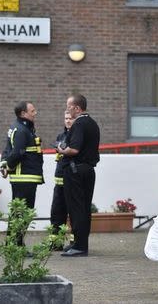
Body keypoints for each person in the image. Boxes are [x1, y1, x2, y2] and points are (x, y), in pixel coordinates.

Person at [57, 94, 100, 257]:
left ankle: (80, 246)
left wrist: (61, 150)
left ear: (77, 108)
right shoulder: (93, 124)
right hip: (88, 170)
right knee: (84, 208)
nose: (67, 109)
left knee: (76, 208)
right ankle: (79, 243)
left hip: (75, 171)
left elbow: (74, 149)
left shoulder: (79, 124)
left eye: (69, 106)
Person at [0, 101, 44, 246]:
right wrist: (8, 167)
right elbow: (17, 152)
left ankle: (14, 244)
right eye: (32, 111)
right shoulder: (22, 130)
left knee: (19, 212)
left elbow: (7, 148)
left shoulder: (18, 128)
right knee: (23, 213)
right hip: (25, 178)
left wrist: (4, 165)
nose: (35, 113)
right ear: (23, 114)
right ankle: (15, 245)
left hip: (24, 178)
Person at [50, 111, 74, 250]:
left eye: (70, 118)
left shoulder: (76, 136)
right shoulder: (61, 136)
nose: (68, 121)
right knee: (57, 212)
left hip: (71, 180)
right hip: (59, 180)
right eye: (66, 118)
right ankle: (56, 243)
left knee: (74, 214)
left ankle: (74, 243)